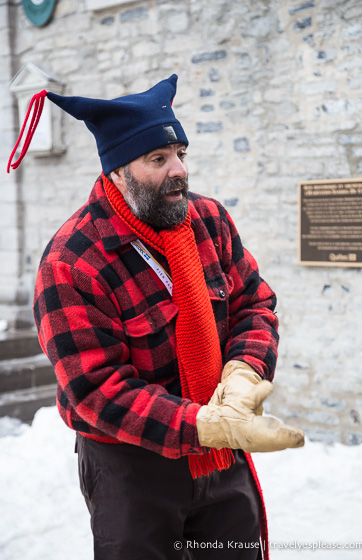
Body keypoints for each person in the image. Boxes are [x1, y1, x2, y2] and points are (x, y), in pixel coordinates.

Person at [8, 75, 304, 560]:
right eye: (158, 159)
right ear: (118, 172)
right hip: (130, 465)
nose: (179, 171)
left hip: (220, 451)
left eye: (181, 154)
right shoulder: (71, 262)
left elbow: (254, 302)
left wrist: (244, 372)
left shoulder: (209, 220)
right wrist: (205, 426)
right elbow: (94, 389)